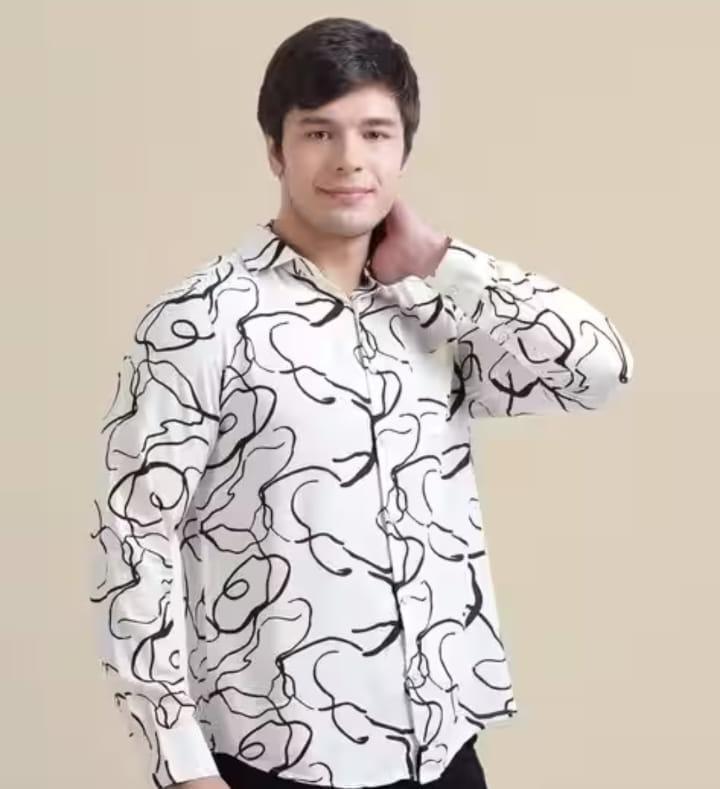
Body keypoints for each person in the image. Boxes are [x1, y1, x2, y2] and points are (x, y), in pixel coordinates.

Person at [88, 16, 634, 789]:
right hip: (275, 760)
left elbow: (600, 370)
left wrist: (440, 260)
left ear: (402, 150)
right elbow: (133, 541)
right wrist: (179, 764)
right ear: (276, 150)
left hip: (443, 752)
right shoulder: (200, 321)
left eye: (375, 133)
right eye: (319, 132)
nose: (349, 159)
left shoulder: (436, 311)